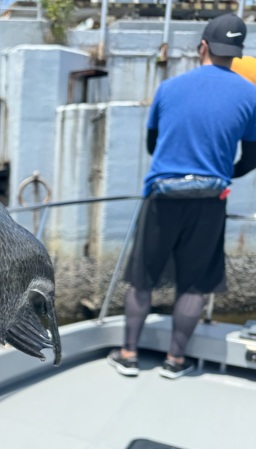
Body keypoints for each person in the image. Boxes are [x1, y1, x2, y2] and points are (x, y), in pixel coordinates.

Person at [108, 13, 256, 380]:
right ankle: (175, 360)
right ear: (236, 52)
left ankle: (128, 354)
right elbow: (251, 157)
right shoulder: (250, 94)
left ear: (202, 46)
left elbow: (152, 144)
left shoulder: (169, 88)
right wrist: (225, 172)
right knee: (194, 283)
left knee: (143, 279)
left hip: (163, 196)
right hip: (210, 200)